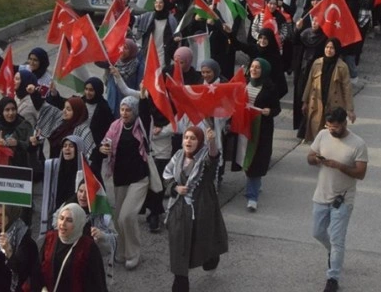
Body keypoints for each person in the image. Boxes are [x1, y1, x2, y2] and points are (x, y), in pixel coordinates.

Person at [306, 107, 368, 292]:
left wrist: (339, 166)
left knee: (337, 240)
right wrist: (316, 159)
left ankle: (332, 277)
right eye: (329, 126)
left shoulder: (358, 144)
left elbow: (361, 173)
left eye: (336, 127)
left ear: (344, 124)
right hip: (321, 195)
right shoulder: (323, 135)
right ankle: (332, 253)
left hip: (343, 198)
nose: (332, 130)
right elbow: (309, 157)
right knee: (317, 232)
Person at [163, 126, 228, 292]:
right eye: (186, 137)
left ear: (199, 142)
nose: (188, 141)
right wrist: (175, 188)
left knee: (202, 241)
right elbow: (167, 176)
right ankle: (180, 282)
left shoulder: (204, 158)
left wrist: (212, 141)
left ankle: (211, 258)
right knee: (178, 244)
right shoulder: (177, 156)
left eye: (193, 138)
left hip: (202, 207)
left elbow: (213, 159)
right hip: (179, 208)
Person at [100, 96, 150, 270]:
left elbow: (145, 109)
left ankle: (134, 254)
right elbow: (105, 142)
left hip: (139, 178)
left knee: (127, 216)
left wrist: (144, 96)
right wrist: (103, 148)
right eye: (122, 109)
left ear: (134, 111)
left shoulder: (141, 125)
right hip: (120, 178)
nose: (124, 113)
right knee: (118, 219)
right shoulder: (115, 126)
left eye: (128, 109)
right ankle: (121, 251)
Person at [238, 58, 281, 212]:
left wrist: (269, 111)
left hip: (261, 129)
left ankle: (252, 197)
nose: (254, 70)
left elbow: (277, 108)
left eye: (258, 68)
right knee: (245, 157)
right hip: (244, 127)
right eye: (252, 67)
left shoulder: (270, 88)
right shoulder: (243, 83)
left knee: (256, 161)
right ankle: (255, 185)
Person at [39, 203, 109, 292]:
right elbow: (38, 268)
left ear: (78, 223)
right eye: (61, 218)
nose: (63, 224)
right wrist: (42, 287)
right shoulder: (50, 238)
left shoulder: (88, 247)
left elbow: (96, 283)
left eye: (69, 220)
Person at [301, 38, 355, 144]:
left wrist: (350, 109)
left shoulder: (342, 67)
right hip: (317, 102)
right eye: (327, 47)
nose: (329, 50)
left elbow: (347, 88)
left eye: (332, 48)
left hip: (334, 103)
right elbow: (309, 83)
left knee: (333, 132)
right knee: (316, 129)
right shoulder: (317, 63)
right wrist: (305, 101)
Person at [0, 204, 38, 291]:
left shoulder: (22, 236)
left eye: (2, 215)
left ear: (11, 215)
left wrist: (8, 250)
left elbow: (21, 269)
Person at [41, 135, 87, 234]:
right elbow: (38, 167)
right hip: (58, 218)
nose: (67, 148)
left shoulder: (87, 170)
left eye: (71, 146)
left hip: (78, 217)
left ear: (78, 149)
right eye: (64, 145)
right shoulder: (54, 166)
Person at [0, 97, 33, 168]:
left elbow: (31, 147)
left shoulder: (25, 126)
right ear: (1, 112)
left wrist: (18, 143)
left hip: (22, 168)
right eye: (7, 110)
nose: (11, 113)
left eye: (13, 109)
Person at [106, 39, 143, 119]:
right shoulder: (114, 62)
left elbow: (138, 88)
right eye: (121, 47)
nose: (122, 50)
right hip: (113, 101)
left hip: (128, 104)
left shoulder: (137, 66)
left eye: (125, 48)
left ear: (132, 50)